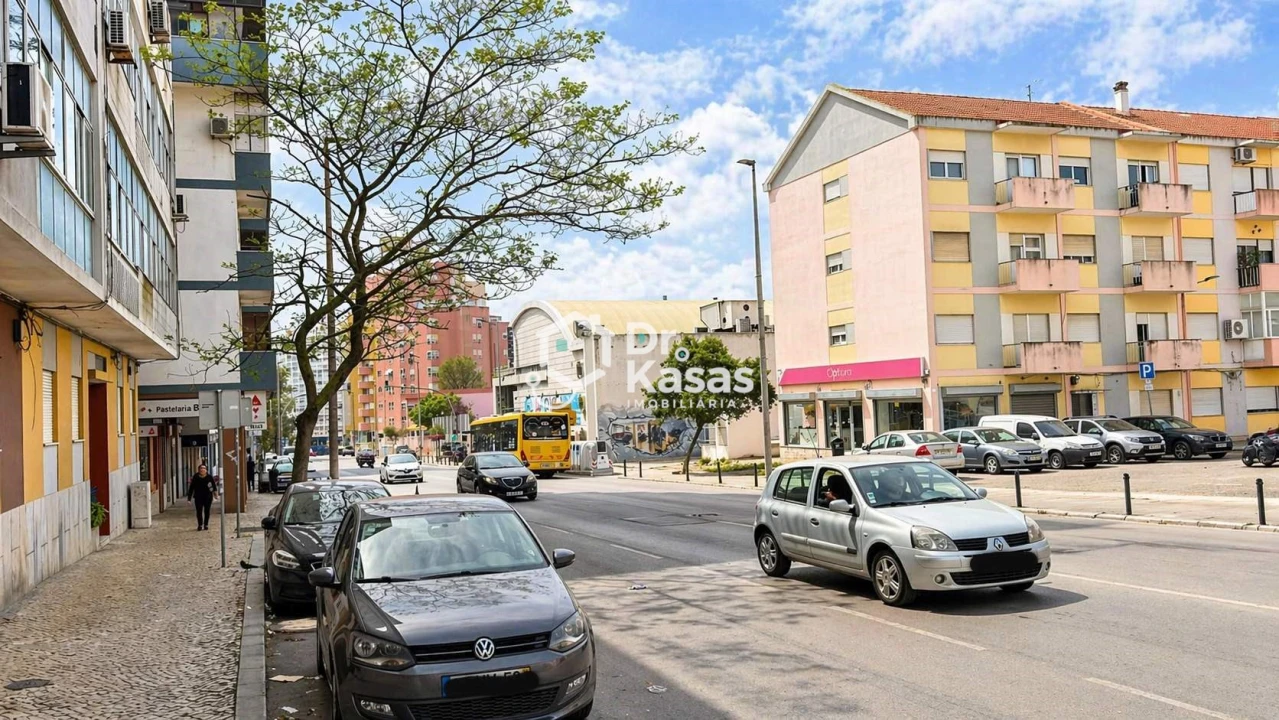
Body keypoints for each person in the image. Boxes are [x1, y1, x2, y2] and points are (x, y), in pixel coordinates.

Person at [186, 464, 219, 531]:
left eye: (204, 468)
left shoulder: (209, 477)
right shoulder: (196, 477)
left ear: (206, 470)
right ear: (199, 470)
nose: (202, 469)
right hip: (198, 497)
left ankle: (206, 524)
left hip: (208, 497)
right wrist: (189, 498)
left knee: (207, 511)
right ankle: (200, 525)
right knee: (199, 511)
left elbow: (214, 487)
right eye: (201, 468)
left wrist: (216, 495)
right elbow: (191, 488)